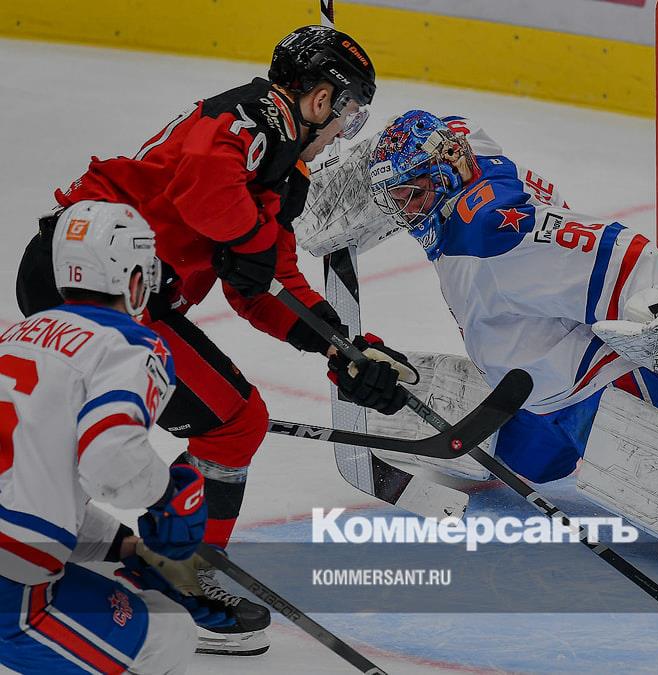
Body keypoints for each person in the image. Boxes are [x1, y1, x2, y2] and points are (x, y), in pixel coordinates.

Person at [295, 110, 658, 602]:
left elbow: (623, 253)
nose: (406, 213)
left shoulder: (500, 236)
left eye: (414, 196)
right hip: (532, 394)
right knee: (522, 462)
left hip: (601, 387)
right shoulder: (464, 152)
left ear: (449, 175)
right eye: (397, 199)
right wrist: (340, 180)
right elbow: (443, 132)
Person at [12, 26, 417, 654]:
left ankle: (106, 553)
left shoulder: (281, 167)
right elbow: (204, 186)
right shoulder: (256, 115)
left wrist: (338, 345)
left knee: (102, 425)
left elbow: (264, 285)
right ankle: (176, 580)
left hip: (112, 288)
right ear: (320, 100)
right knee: (233, 421)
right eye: (349, 112)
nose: (345, 130)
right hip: (94, 280)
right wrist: (250, 241)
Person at [0, 201, 234, 673]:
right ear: (134, 278)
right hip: (11, 592)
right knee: (167, 632)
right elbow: (110, 460)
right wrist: (169, 497)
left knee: (117, 581)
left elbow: (27, 492)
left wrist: (127, 548)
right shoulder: (128, 344)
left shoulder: (15, 336)